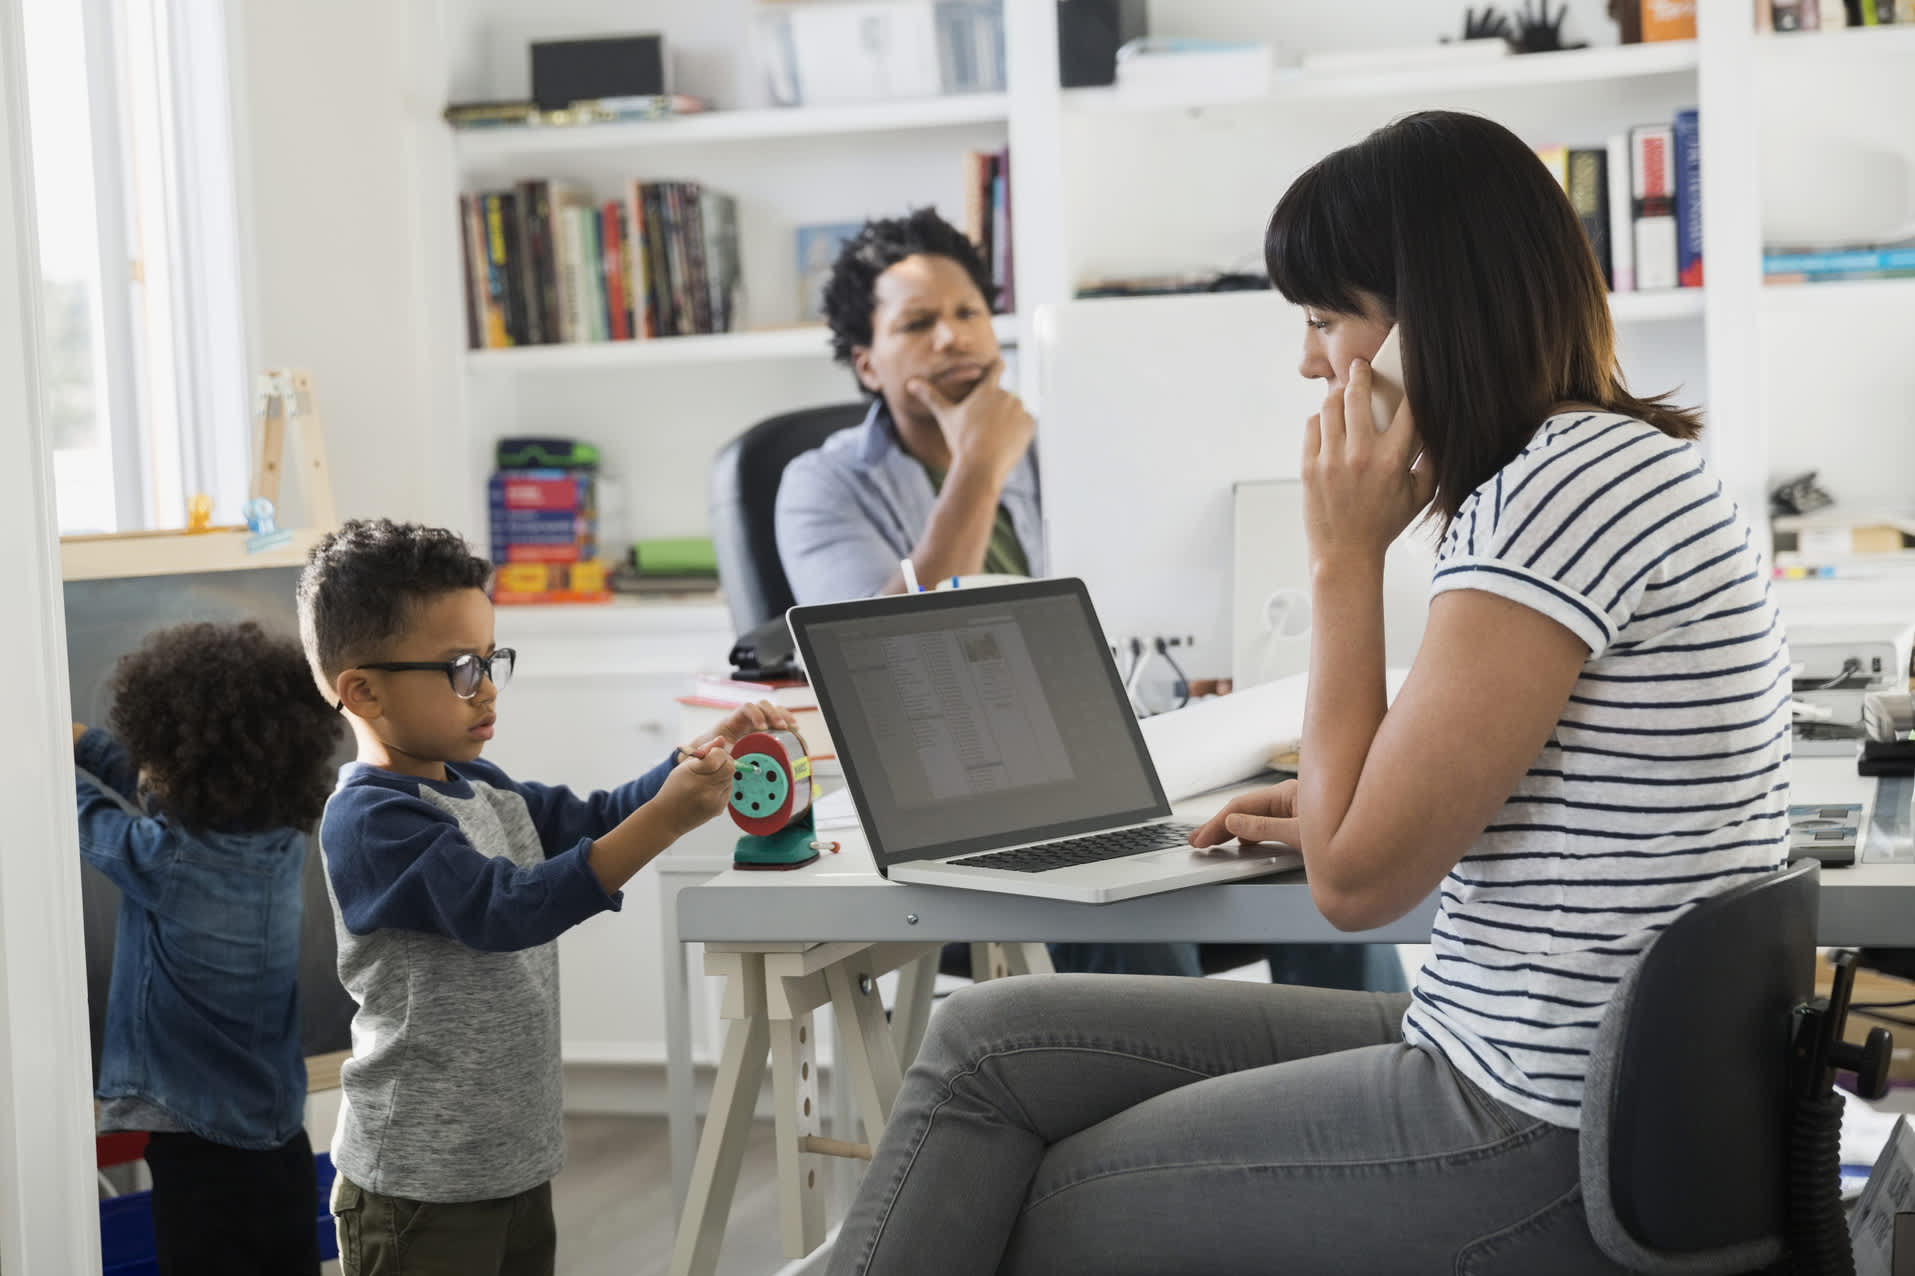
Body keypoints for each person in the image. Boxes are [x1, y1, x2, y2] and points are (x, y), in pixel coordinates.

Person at [824, 109, 1792, 1275]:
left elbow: (1355, 886)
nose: (1307, 359)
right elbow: (1480, 798)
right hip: (1545, 1063)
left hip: (1536, 1124)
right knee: (985, 1044)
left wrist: (1341, 557)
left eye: (1328, 318)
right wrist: (1347, 799)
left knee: (1033, 1197)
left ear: (1428, 318)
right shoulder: (1599, 463)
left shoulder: (1550, 494)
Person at [775, 207, 1400, 992]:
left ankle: (1365, 1080)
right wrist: (977, 464)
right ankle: (1165, 1108)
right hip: (969, 794)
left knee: (1304, 846)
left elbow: (1130, 597)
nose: (953, 338)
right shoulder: (820, 485)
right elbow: (885, 659)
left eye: (968, 312)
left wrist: (1194, 659)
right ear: (867, 364)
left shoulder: (1069, 447)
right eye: (918, 323)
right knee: (1126, 913)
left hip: (1117, 755)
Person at [298, 519, 793, 1276]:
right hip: (420, 1182)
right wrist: (668, 817)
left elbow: (591, 820)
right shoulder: (373, 820)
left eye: (492, 660)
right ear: (362, 690)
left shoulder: (481, 786)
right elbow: (508, 910)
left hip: (510, 1156)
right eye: (462, 669)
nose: (488, 688)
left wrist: (688, 763)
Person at [73, 620, 343, 1276]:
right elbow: (149, 787)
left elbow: (81, 813)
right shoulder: (275, 837)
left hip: (199, 1146)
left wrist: (41, 746)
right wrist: (87, 743)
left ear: (189, 763)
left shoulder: (169, 862)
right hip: (276, 1133)